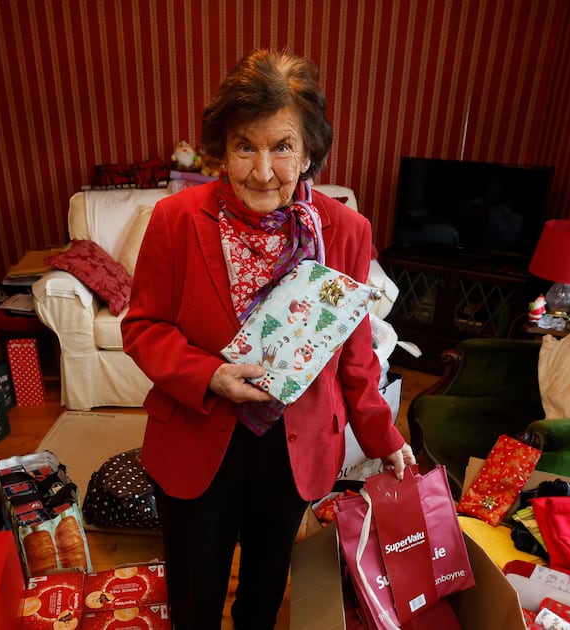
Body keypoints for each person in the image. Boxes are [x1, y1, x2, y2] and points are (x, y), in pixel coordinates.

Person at [121, 49, 414, 629]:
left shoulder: (344, 231)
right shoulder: (176, 220)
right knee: (194, 590)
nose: (262, 170)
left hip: (295, 443)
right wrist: (209, 374)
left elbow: (353, 354)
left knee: (263, 587)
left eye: (282, 147)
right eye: (244, 146)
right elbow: (143, 326)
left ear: (309, 152)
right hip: (199, 433)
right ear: (220, 150)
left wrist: (384, 436)